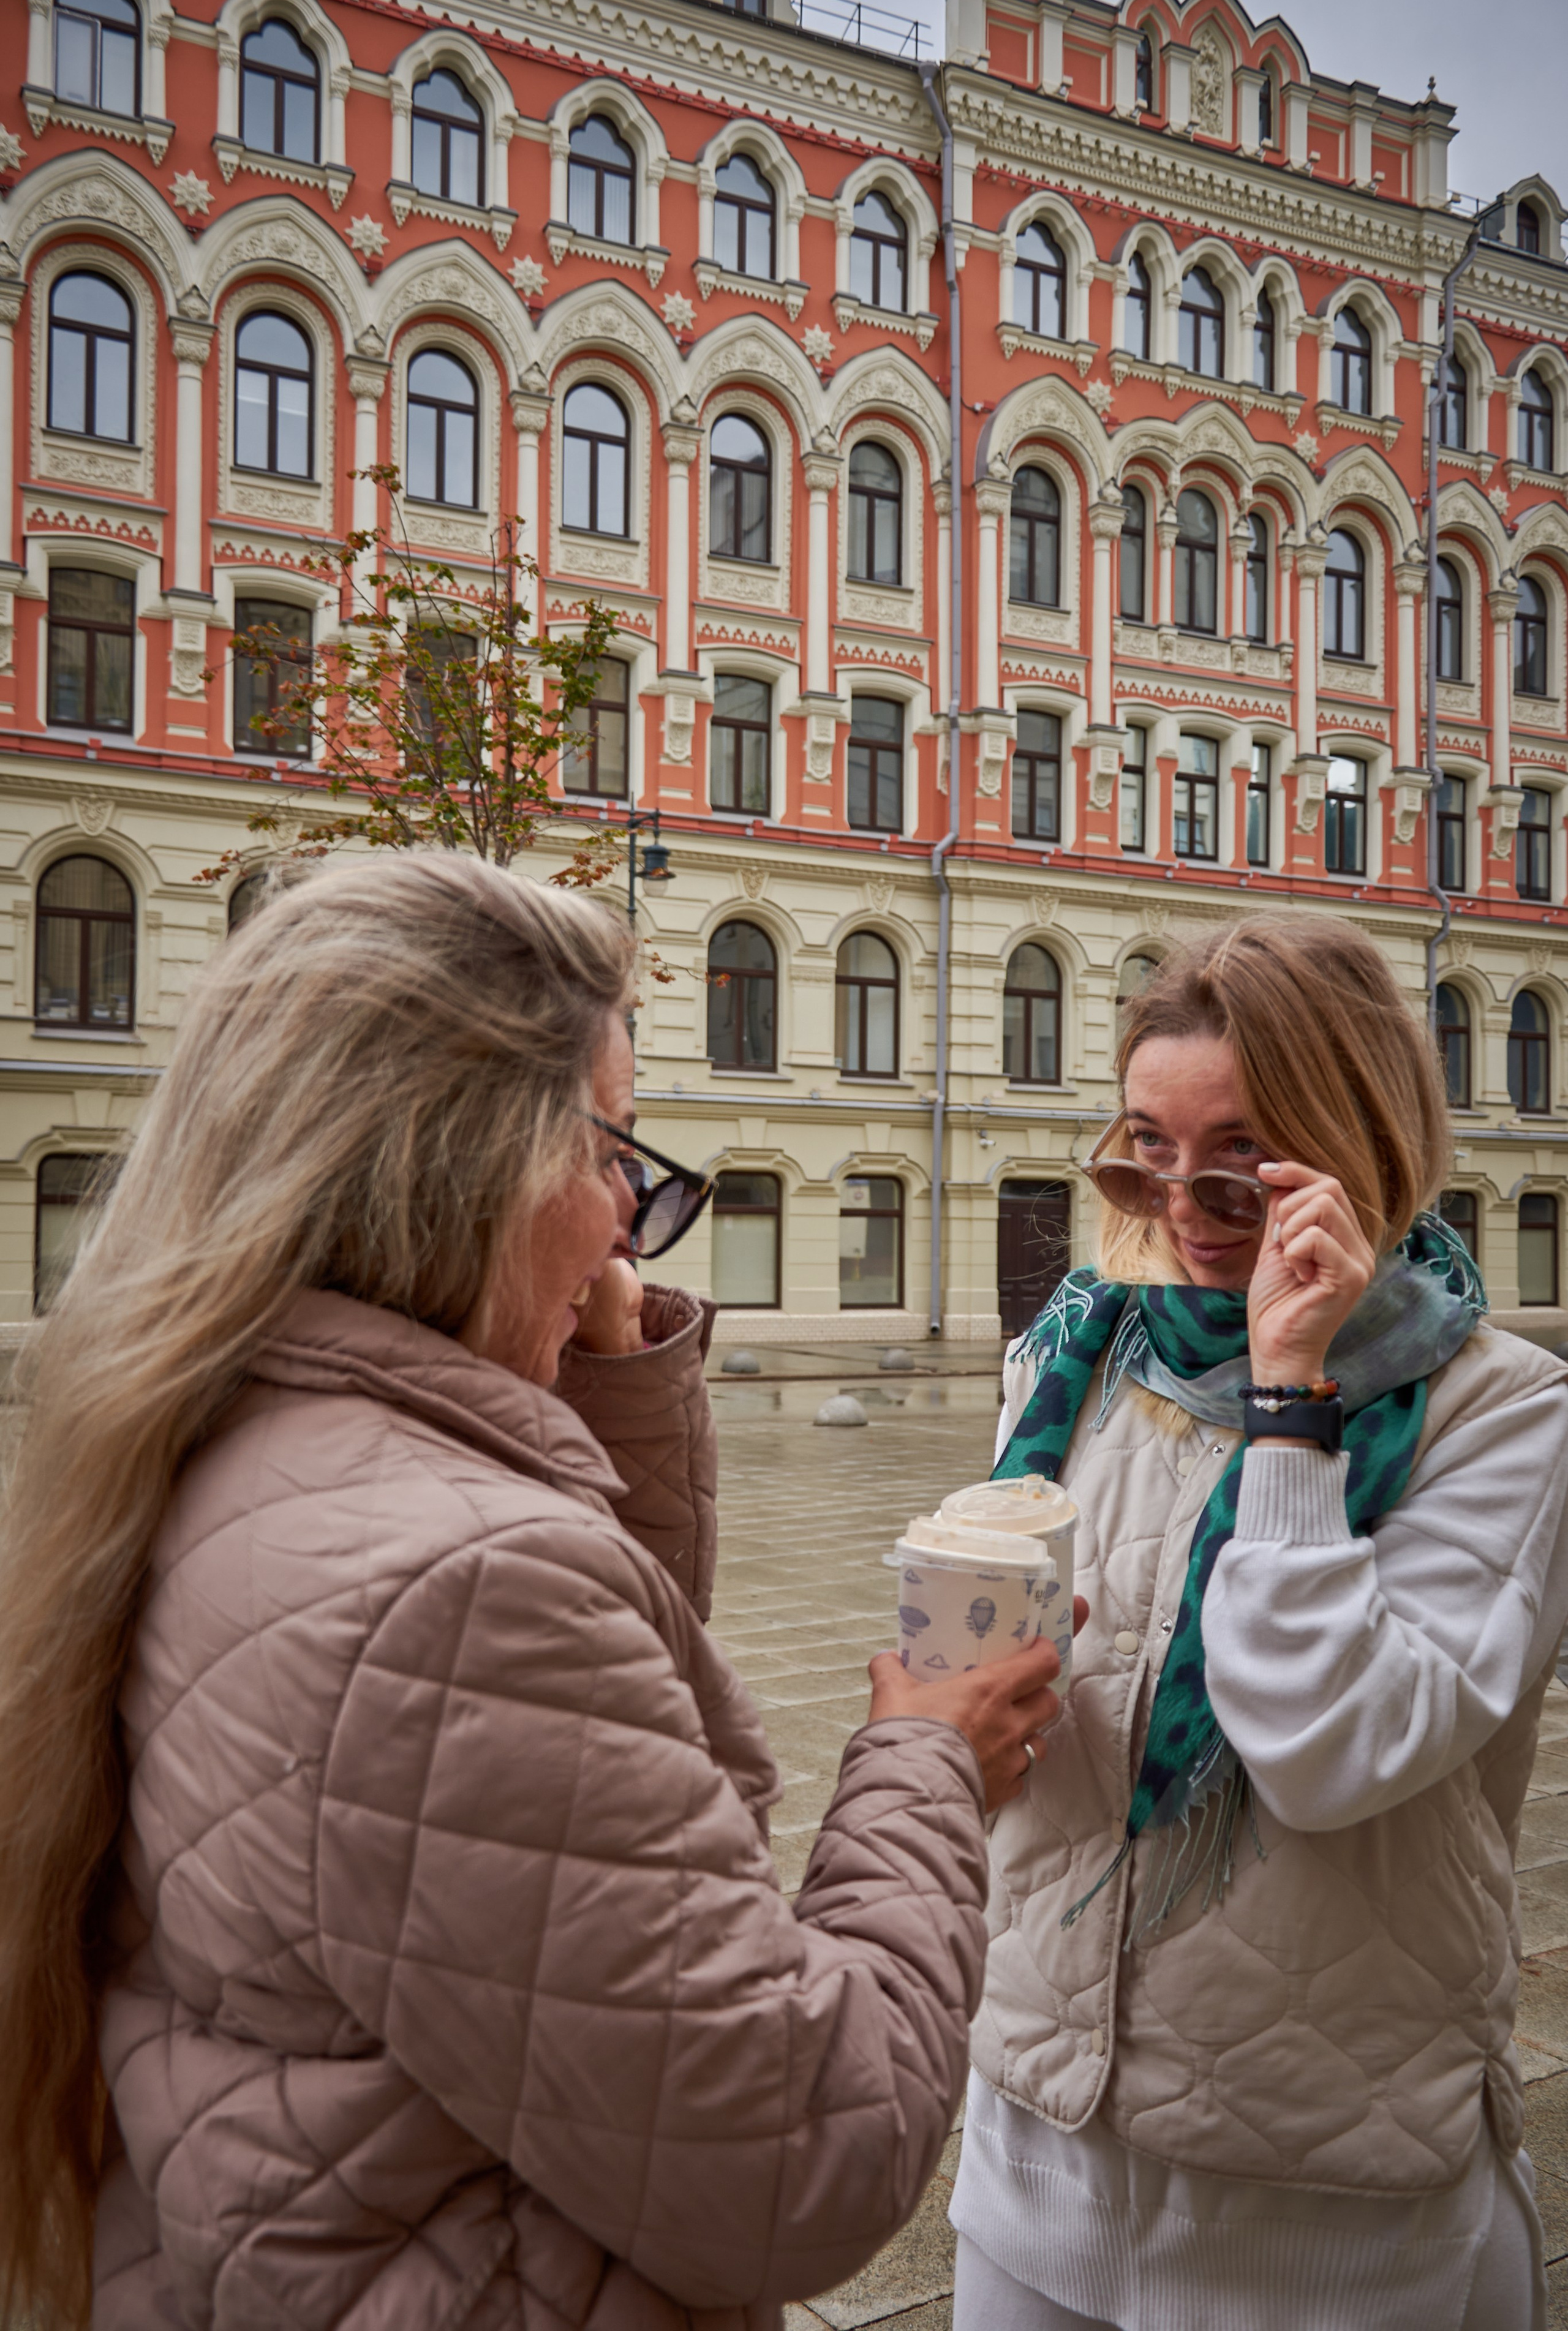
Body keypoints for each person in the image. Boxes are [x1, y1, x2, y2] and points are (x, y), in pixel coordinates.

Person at [0, 853, 1067, 2331]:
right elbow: (801, 2151)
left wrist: (601, 1386)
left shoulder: (224, 1431)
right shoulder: (463, 1590)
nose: (628, 1221)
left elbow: (580, 1773)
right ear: (462, 1155)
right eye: (610, 1152)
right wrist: (924, 1766)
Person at [949, 914, 1568, 2331]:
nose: (1179, 1206)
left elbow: (1328, 1750)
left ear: (1354, 1147)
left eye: (1234, 1164)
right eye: (1142, 1154)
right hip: (1037, 2135)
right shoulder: (1069, 1359)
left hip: (1317, 2192)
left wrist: (1291, 1404)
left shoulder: (1500, 1410)